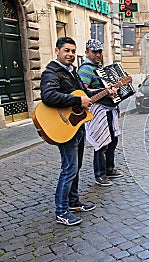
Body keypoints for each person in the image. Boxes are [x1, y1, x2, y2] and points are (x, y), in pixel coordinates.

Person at [40, 37, 113, 226]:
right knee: (69, 168)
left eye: (73, 51)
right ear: (57, 51)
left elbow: (84, 94)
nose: (71, 54)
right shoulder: (52, 72)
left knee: (76, 166)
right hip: (64, 126)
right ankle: (61, 211)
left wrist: (106, 91)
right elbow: (48, 96)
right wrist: (77, 102)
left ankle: (73, 202)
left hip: (76, 125)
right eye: (67, 51)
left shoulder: (72, 72)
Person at [78, 39, 124, 187]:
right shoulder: (85, 69)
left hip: (109, 110)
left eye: (99, 51)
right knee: (101, 142)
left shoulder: (101, 68)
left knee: (112, 140)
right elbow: (83, 91)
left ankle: (109, 169)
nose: (98, 54)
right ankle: (100, 174)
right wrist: (103, 92)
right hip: (97, 111)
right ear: (87, 52)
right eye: (94, 52)